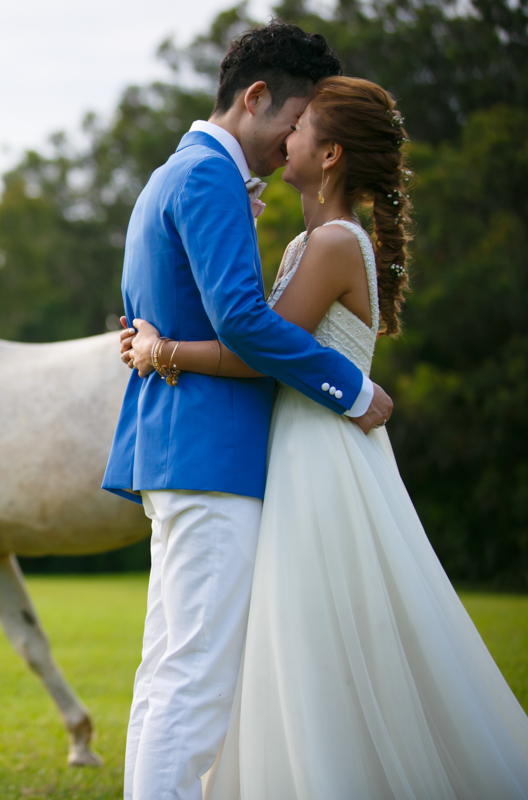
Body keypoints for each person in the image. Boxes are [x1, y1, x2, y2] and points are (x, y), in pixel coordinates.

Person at [122, 76, 528, 798]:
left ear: (330, 152)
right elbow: (256, 333)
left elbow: (253, 348)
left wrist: (164, 351)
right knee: (236, 658)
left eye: (303, 126)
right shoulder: (306, 241)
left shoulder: (334, 242)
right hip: (285, 451)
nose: (289, 137)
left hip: (317, 457)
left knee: (283, 648)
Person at [101, 20, 393, 800]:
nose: (292, 140)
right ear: (256, 97)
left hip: (181, 452)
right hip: (212, 456)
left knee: (170, 670)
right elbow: (241, 321)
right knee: (195, 680)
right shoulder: (209, 178)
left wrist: (163, 346)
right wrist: (351, 388)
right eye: (293, 120)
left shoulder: (175, 173)